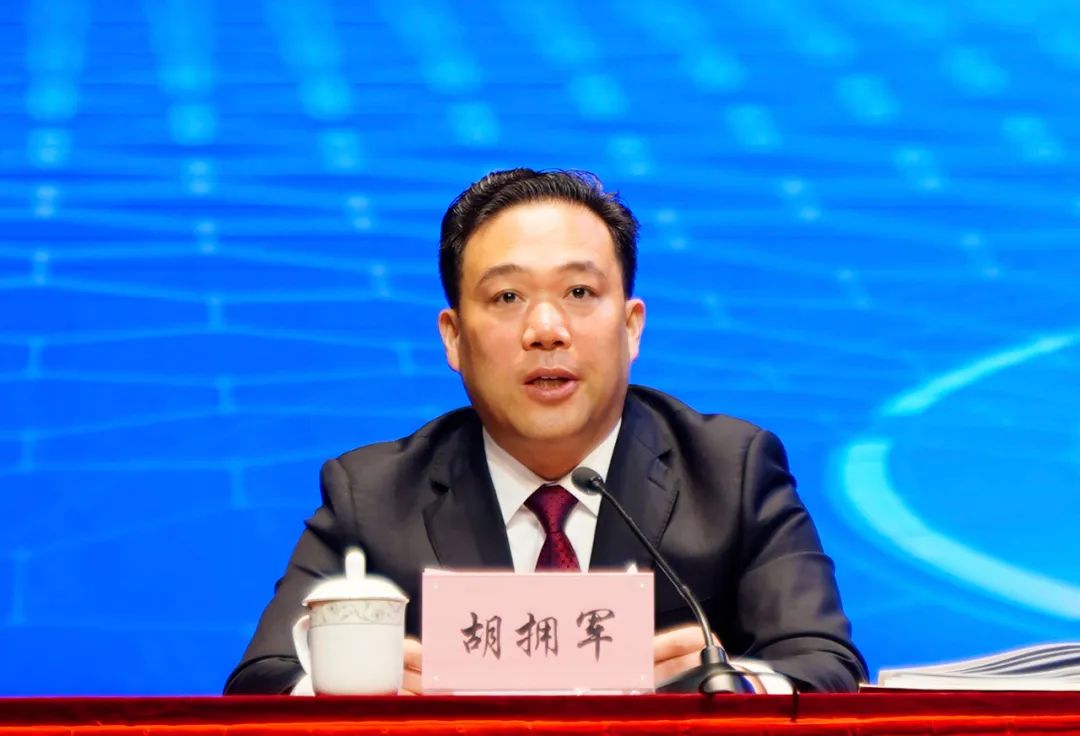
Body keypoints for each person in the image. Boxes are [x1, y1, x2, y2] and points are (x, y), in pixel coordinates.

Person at [224, 168, 866, 695]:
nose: (546, 330)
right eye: (507, 298)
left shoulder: (730, 469)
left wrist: (724, 689)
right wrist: (360, 688)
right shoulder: (372, 493)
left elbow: (824, 663)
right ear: (453, 337)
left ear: (631, 327)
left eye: (580, 292)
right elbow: (262, 682)